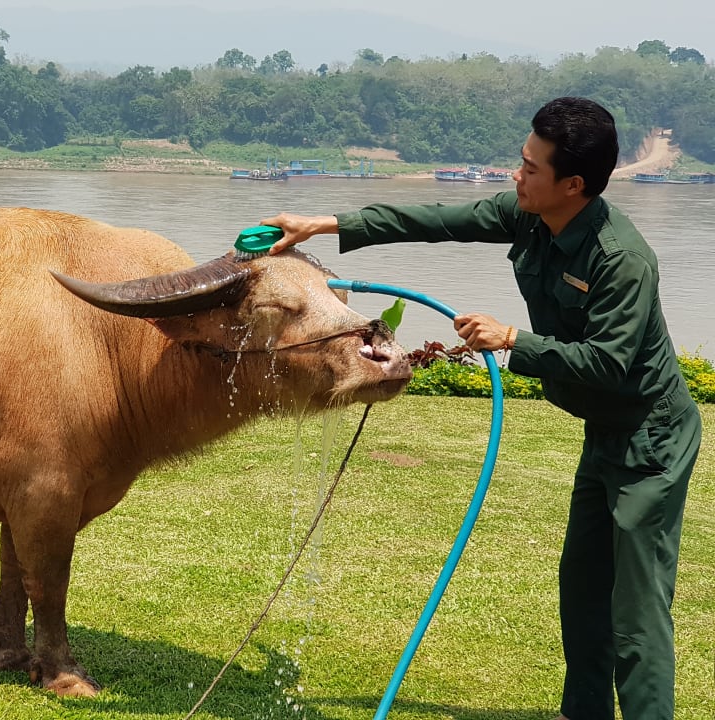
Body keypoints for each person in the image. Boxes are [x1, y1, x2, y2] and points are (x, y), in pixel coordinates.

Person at [259, 96, 702, 720]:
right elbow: (433, 219)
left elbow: (610, 363)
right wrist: (325, 224)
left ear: (572, 184)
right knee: (581, 599)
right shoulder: (527, 215)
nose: (514, 176)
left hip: (650, 438)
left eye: (529, 168)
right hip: (606, 431)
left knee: (634, 612)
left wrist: (515, 339)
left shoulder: (620, 260)